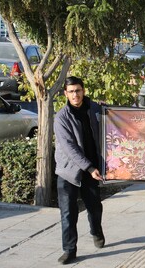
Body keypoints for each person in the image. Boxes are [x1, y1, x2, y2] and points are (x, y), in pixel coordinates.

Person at [54, 76, 105, 264]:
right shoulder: (61, 118)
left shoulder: (95, 109)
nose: (75, 95)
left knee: (95, 207)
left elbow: (113, 121)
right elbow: (70, 148)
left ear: (83, 91)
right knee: (68, 212)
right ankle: (69, 249)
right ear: (66, 94)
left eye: (78, 90)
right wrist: (89, 167)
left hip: (92, 168)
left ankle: (96, 230)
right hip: (69, 171)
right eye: (71, 91)